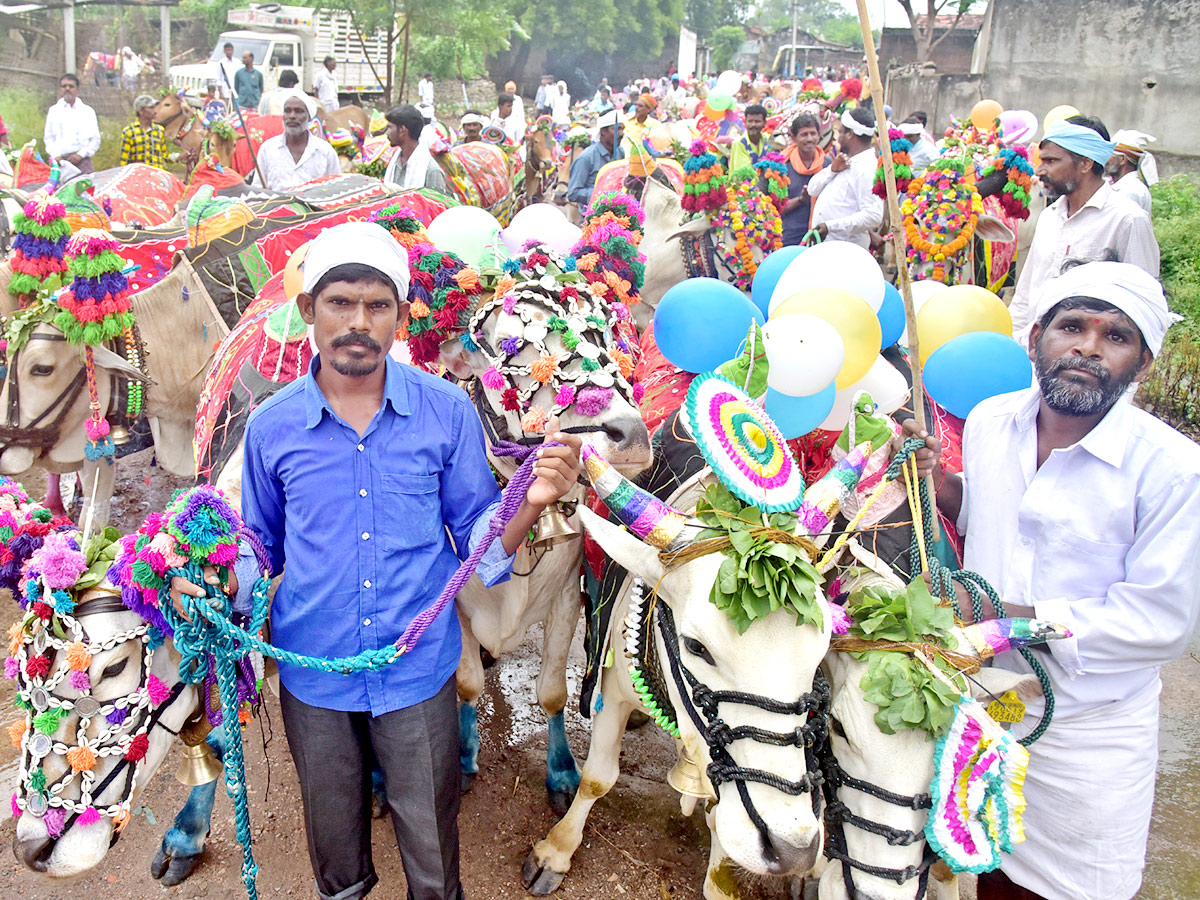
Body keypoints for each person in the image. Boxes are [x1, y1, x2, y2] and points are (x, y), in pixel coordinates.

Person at [172, 220, 583, 900]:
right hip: (313, 674)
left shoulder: (445, 413)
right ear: (309, 311)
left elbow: (477, 536)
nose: (357, 321)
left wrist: (530, 502)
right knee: (333, 847)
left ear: (398, 316)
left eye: (377, 305)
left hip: (418, 671)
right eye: (340, 303)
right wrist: (215, 581)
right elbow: (259, 544)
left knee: (430, 841)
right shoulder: (272, 426)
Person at [906, 260, 1198, 900]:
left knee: (1067, 889)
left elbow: (1157, 623)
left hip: (1087, 734)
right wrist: (939, 484)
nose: (1088, 347)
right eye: (1073, 327)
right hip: (984, 700)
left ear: (1142, 362)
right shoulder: (989, 421)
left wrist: (999, 614)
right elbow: (987, 516)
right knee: (965, 860)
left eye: (1115, 337)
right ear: (1037, 335)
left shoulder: (1174, 470)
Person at [1008, 115, 1159, 337]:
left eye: (1050, 161)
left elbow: (1145, 308)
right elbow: (1024, 298)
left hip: (1087, 360)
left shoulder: (1127, 220)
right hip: (1033, 353)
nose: (1039, 171)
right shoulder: (1050, 216)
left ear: (1086, 163)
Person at [807, 106, 884, 248]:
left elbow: (873, 215)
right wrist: (832, 170)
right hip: (828, 247)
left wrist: (830, 226)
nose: (838, 138)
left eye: (840, 132)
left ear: (850, 134)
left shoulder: (867, 168)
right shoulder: (844, 161)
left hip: (846, 251)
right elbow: (812, 190)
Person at [255, 94, 340, 191]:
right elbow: (258, 189)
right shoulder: (267, 149)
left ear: (309, 117)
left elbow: (335, 189)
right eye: (287, 111)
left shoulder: (325, 151)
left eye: (299, 111)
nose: (292, 116)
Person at [780, 113, 829, 245]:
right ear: (793, 138)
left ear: (819, 135)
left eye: (813, 134)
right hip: (790, 235)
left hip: (821, 234)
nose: (809, 139)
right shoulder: (782, 166)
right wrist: (801, 200)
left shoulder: (829, 165)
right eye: (804, 134)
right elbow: (776, 207)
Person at [566, 109, 623, 216]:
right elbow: (573, 193)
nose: (621, 134)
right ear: (603, 131)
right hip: (592, 218)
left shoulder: (620, 153)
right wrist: (602, 194)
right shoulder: (586, 158)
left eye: (622, 129)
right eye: (616, 129)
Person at [44, 73, 100, 175]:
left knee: (86, 190)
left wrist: (80, 155)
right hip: (60, 162)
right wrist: (56, 155)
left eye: (71, 86)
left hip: (83, 161)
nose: (67, 89)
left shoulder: (87, 111)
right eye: (64, 86)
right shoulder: (54, 111)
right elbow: (48, 138)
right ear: (60, 89)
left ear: (77, 89)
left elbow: (95, 139)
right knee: (61, 190)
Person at [383, 104, 447, 192]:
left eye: (390, 128)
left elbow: (438, 204)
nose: (387, 132)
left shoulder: (431, 171)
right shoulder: (395, 163)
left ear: (402, 130)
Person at [1105, 129, 1157, 215]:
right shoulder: (1126, 187)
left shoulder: (1130, 191)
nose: (1105, 160)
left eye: (1109, 155)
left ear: (1122, 159)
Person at [118, 94, 169, 168]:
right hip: (139, 176)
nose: (155, 111)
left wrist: (178, 157)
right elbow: (124, 161)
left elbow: (164, 156)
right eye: (151, 108)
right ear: (141, 111)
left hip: (157, 176)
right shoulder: (129, 132)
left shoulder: (159, 131)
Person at [728, 103, 768, 175]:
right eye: (750, 121)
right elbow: (743, 173)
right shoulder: (739, 143)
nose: (753, 125)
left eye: (757, 121)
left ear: (764, 123)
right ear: (745, 122)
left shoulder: (767, 140)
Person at [214, 41, 239, 106]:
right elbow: (218, 79)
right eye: (227, 50)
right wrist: (220, 93)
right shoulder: (221, 63)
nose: (229, 52)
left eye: (230, 50)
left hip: (236, 93)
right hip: (225, 93)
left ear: (233, 50)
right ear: (224, 51)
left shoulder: (237, 62)